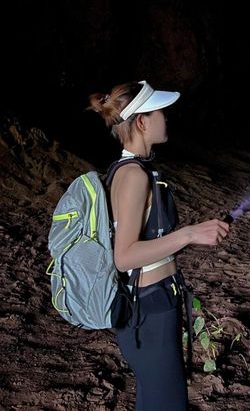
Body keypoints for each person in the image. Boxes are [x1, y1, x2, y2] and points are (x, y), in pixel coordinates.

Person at [88, 79, 230, 411]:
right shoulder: (134, 176)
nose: (166, 117)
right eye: (161, 112)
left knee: (157, 401)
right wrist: (190, 235)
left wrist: (195, 234)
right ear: (141, 121)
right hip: (148, 314)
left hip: (153, 308)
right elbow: (124, 257)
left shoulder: (129, 170)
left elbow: (145, 244)